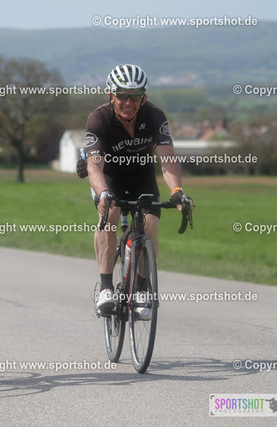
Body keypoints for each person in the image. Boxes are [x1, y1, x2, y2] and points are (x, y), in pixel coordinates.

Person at [83, 64, 193, 317]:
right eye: (122, 95)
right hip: (109, 178)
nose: (128, 102)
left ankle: (142, 288)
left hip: (142, 177)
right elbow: (94, 166)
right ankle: (106, 287)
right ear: (111, 96)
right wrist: (102, 193)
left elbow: (167, 159)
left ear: (144, 97)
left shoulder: (154, 116)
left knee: (150, 225)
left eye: (135, 96)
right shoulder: (98, 119)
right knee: (109, 217)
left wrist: (177, 190)